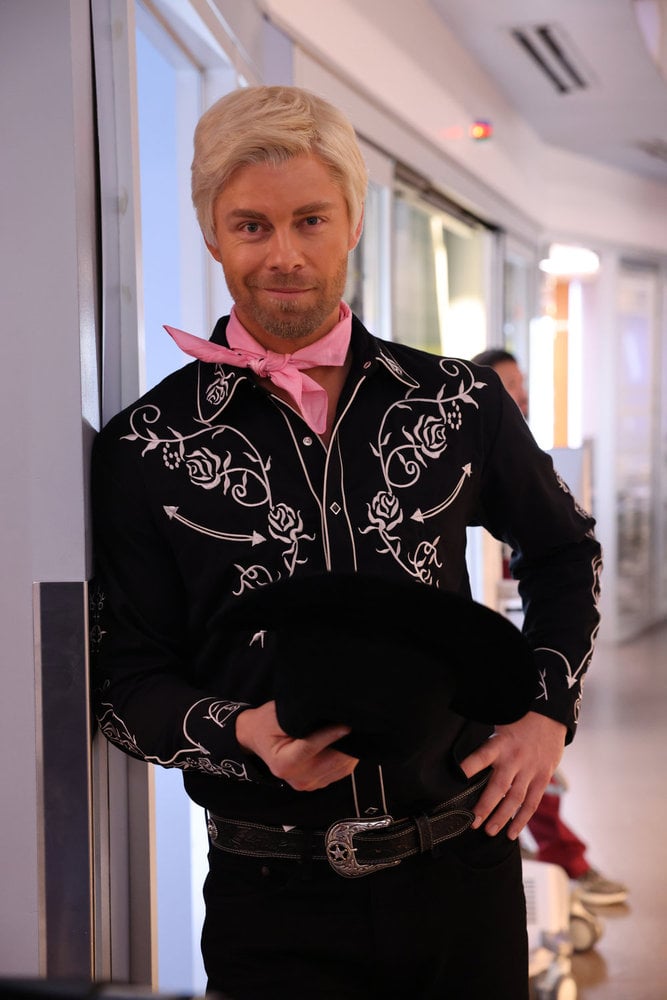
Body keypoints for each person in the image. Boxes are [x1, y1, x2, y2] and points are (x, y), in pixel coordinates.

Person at [91, 86, 603, 1000]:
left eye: (309, 220)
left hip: (463, 870)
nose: (283, 255)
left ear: (353, 222)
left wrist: (544, 712)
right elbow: (124, 681)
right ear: (211, 233)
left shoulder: (455, 404)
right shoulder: (146, 446)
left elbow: (564, 556)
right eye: (250, 225)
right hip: (268, 899)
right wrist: (243, 733)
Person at [472, 347, 628, 907]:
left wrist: (548, 711)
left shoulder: (522, 462)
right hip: (474, 658)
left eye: (523, 388)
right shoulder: (463, 445)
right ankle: (565, 872)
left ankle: (564, 873)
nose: (517, 398)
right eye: (506, 386)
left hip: (522, 655)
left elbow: (564, 553)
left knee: (536, 772)